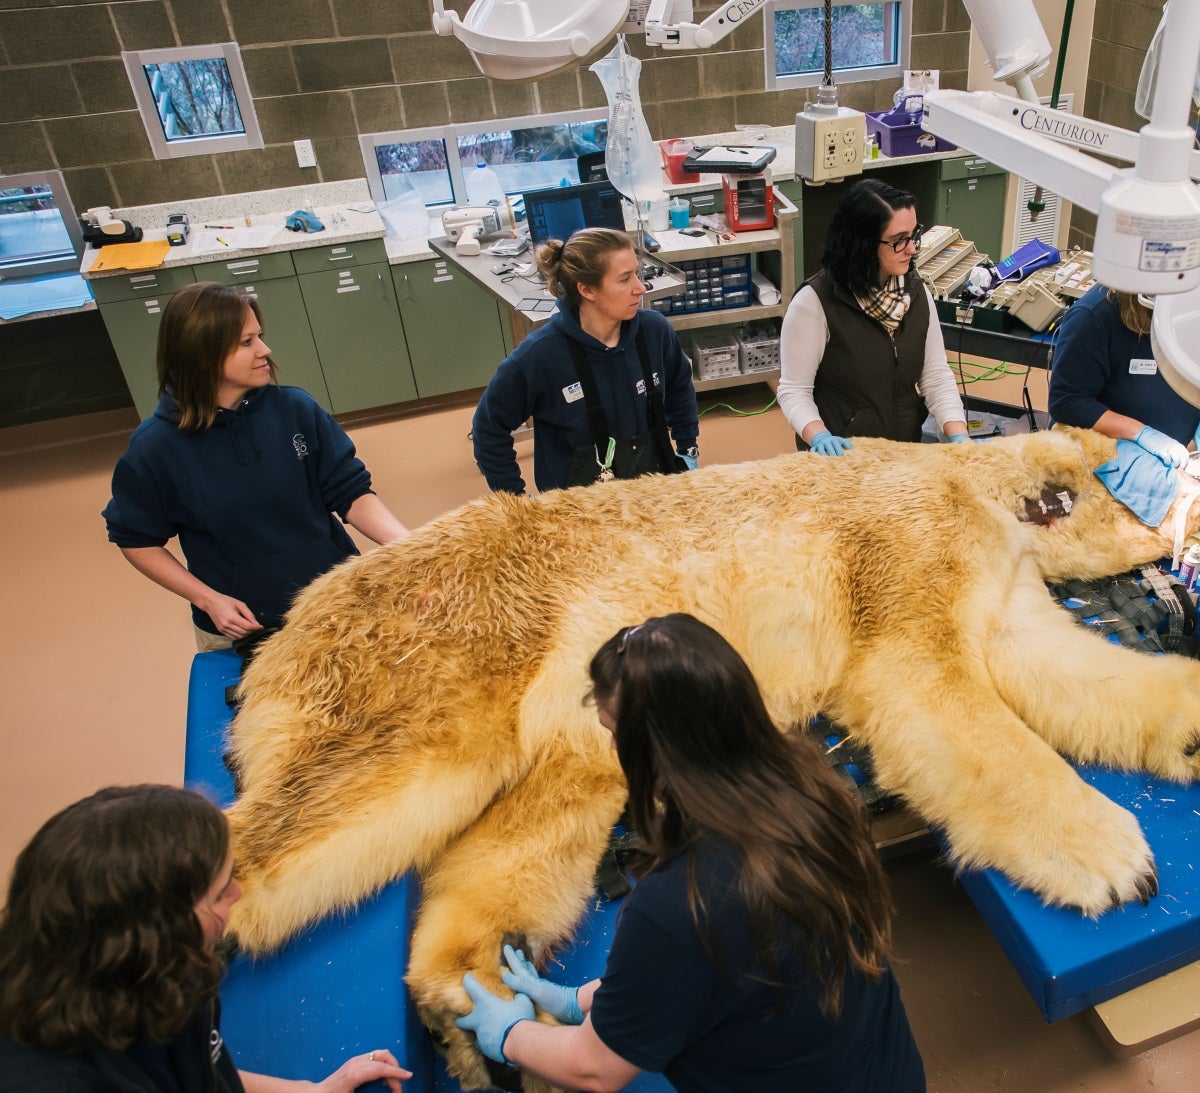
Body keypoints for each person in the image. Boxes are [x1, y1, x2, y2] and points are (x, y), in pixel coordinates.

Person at [456, 614, 924, 1092]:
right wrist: (590, 1000)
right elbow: (746, 967)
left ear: (659, 752)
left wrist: (510, 1034)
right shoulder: (812, 789)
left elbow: (594, 1068)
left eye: (615, 730)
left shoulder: (681, 903)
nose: (612, 745)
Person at [0, 784, 411, 1092]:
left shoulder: (173, 967)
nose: (238, 894)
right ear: (152, 932)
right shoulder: (52, 1079)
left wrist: (313, 1090)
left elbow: (200, 1067)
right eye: (219, 893)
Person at [103, 283, 410, 652]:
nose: (265, 350)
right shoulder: (155, 447)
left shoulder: (295, 409)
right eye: (246, 342)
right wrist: (208, 599)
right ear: (201, 353)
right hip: (246, 630)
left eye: (259, 337)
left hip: (335, 604)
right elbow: (136, 540)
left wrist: (411, 549)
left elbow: (350, 492)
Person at [472, 227, 700, 492]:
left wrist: (688, 450)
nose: (641, 287)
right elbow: (488, 428)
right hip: (577, 510)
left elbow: (680, 388)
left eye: (637, 274)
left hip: (653, 493)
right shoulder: (539, 356)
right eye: (625, 279)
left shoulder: (655, 332)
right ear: (587, 290)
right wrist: (516, 500)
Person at [777, 178, 968, 454]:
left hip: (903, 453)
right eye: (898, 240)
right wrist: (818, 435)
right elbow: (794, 390)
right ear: (862, 243)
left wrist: (958, 435)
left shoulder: (915, 293)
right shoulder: (815, 302)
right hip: (842, 459)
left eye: (913, 235)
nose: (912, 248)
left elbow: (936, 376)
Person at [1049, 286, 1200, 466]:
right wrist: (1141, 433)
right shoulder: (1093, 316)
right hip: (1107, 454)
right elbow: (1067, 402)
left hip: (1176, 450)